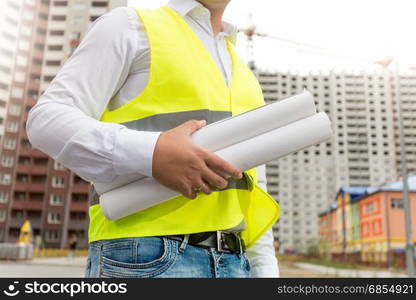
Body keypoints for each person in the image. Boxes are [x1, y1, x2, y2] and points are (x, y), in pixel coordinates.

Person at [27, 0, 280, 278]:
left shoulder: (244, 74)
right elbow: (46, 120)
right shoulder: (129, 26)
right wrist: (152, 153)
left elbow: (254, 185)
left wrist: (265, 271)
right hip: (144, 258)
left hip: (236, 261)